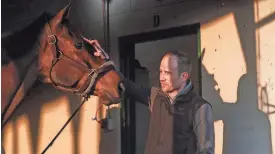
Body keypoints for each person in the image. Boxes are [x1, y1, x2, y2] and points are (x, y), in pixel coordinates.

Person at [84, 38, 215, 154]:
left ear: (184, 76)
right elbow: (127, 85)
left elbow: (206, 150)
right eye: (161, 71)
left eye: (167, 73)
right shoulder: (156, 96)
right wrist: (106, 60)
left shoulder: (200, 107)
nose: (161, 77)